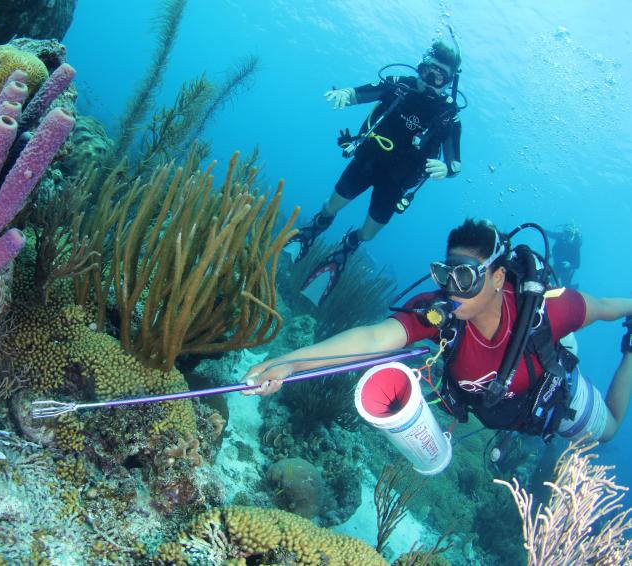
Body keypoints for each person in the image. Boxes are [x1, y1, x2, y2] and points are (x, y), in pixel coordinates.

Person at [247, 218, 632, 444]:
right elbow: (373, 338)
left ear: (498, 277)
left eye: (465, 277)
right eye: (446, 274)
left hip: (550, 394)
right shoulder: (439, 314)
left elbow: (602, 307)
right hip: (500, 412)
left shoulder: (550, 309)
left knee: (611, 429)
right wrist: (289, 364)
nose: (451, 289)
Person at [284, 41, 463, 303]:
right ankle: (315, 227)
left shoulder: (449, 114)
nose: (430, 80)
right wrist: (345, 95)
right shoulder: (399, 85)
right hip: (368, 159)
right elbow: (359, 93)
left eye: (439, 77)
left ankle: (349, 245)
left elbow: (456, 163)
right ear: (421, 66)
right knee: (330, 205)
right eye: (428, 70)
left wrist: (446, 169)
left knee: (368, 234)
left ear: (448, 82)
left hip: (398, 181)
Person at [546, 222, 582, 289]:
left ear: (573, 235)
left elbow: (577, 264)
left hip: (567, 269)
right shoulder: (560, 237)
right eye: (566, 234)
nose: (567, 237)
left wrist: (570, 264)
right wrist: (537, 228)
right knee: (550, 282)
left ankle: (569, 289)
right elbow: (549, 233)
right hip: (557, 264)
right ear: (564, 233)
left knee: (565, 286)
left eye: (569, 235)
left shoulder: (575, 246)